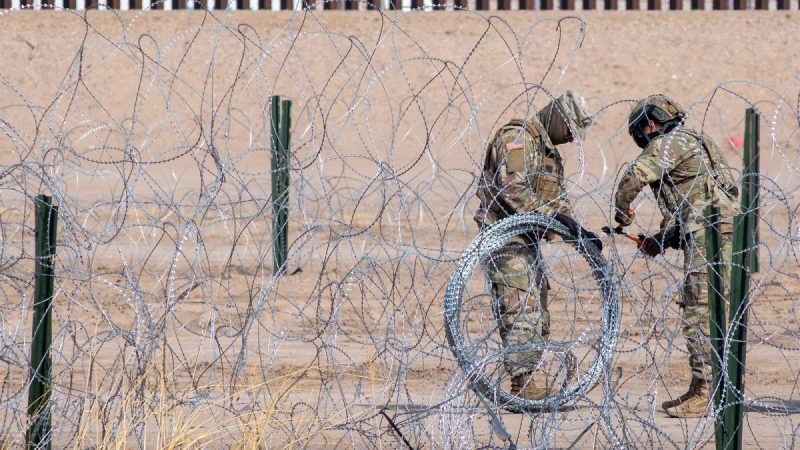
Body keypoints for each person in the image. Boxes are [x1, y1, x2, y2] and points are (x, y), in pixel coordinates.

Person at [613, 94, 740, 418]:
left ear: (650, 124)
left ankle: (706, 392)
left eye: (640, 132)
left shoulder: (667, 144)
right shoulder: (698, 141)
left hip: (709, 234)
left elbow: (633, 179)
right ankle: (702, 386)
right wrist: (661, 240)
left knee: (700, 311)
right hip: (723, 231)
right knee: (712, 310)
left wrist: (622, 211)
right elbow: (693, 202)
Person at [474, 91, 593, 401]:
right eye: (570, 130)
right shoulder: (518, 139)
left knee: (537, 311)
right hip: (505, 240)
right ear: (557, 117)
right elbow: (512, 190)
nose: (571, 138)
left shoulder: (547, 152)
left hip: (526, 242)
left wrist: (576, 231)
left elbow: (557, 199)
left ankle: (528, 381)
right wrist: (552, 218)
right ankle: (522, 385)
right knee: (520, 309)